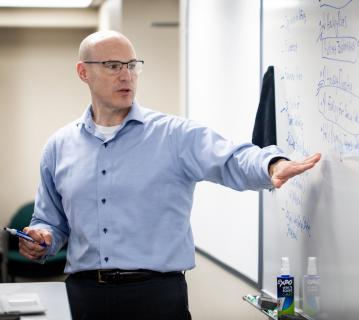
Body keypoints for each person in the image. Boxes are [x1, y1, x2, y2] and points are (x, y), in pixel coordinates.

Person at [19, 30, 321, 320]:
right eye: (113, 66)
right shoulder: (59, 146)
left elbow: (233, 157)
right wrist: (40, 239)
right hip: (84, 297)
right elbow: (49, 222)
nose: (126, 75)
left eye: (132, 65)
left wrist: (272, 164)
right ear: (83, 72)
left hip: (156, 297)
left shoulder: (174, 135)